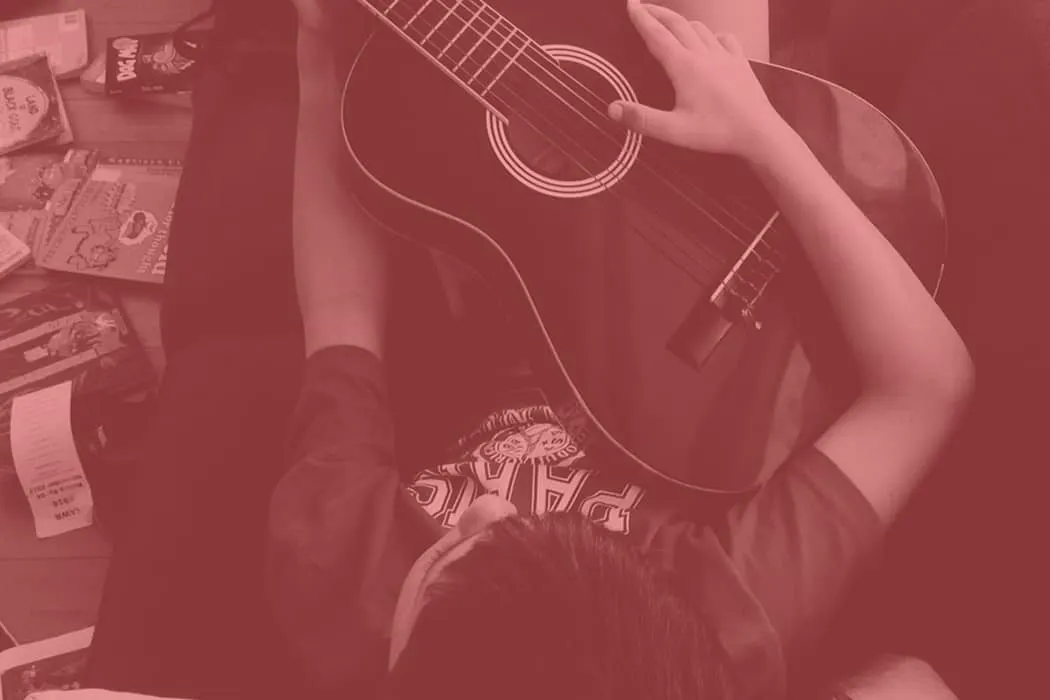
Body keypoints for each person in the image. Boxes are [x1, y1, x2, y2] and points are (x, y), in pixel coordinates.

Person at [32, 0, 973, 699]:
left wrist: (317, 57)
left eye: (448, 557)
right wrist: (761, 132)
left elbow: (343, 323)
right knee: (707, 44)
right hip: (725, 324)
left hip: (490, 273)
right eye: (523, 530)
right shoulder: (726, 623)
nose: (481, 503)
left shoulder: (338, 585)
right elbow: (926, 385)